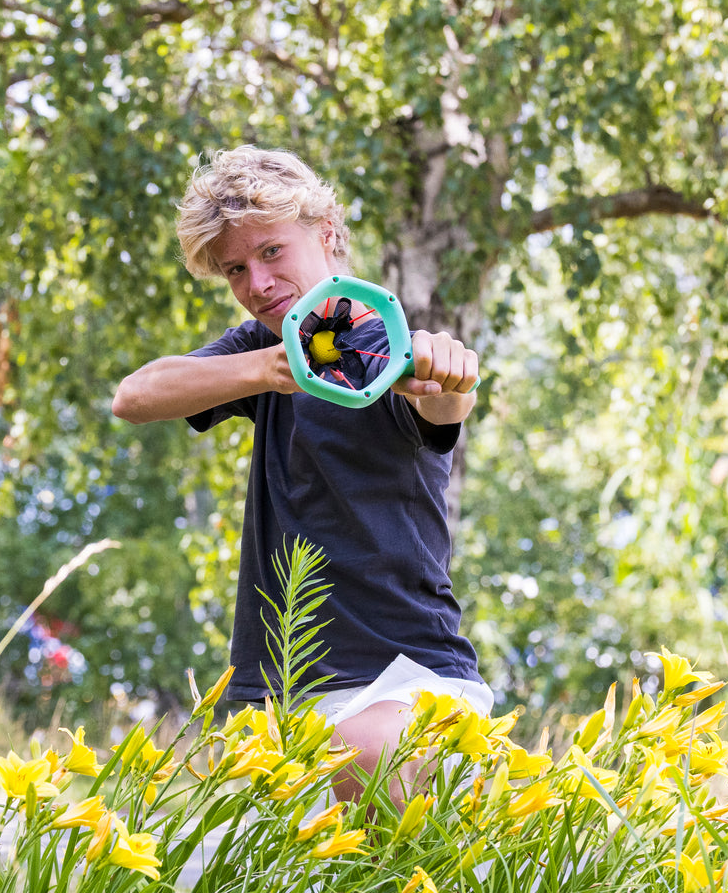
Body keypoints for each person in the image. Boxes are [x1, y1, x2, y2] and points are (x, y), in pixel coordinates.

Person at [112, 145, 490, 802]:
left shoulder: (386, 343)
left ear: (327, 232)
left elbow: (441, 410)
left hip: (410, 679)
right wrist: (267, 368)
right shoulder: (260, 351)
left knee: (361, 759)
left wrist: (447, 380)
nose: (257, 284)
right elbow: (135, 396)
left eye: (271, 252)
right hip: (286, 686)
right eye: (235, 269)